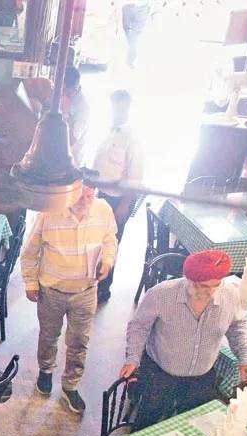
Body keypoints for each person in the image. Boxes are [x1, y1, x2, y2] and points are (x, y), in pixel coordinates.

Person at [124, 250, 247, 428]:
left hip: (201, 377)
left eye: (215, 285)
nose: (209, 291)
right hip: (160, 374)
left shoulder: (231, 295)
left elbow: (237, 326)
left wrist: (245, 357)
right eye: (202, 286)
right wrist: (133, 358)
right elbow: (139, 326)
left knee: (193, 425)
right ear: (188, 279)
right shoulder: (161, 294)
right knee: (148, 421)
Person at [21, 181, 118, 413]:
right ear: (70, 191)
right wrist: (30, 282)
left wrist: (108, 261)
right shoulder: (49, 211)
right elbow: (30, 251)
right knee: (48, 336)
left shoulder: (103, 209)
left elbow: (109, 239)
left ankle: (70, 385)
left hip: (86, 292)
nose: (87, 198)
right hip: (52, 291)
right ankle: (46, 372)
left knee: (79, 341)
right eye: (82, 193)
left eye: (91, 193)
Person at [89, 89, 144, 302]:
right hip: (101, 195)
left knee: (110, 243)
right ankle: (92, 284)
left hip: (119, 199)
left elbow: (135, 177)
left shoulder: (133, 139)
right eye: (113, 107)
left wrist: (124, 204)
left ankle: (103, 290)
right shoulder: (110, 132)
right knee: (95, 240)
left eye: (120, 107)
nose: (116, 111)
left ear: (128, 108)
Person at [62, 67, 89, 163]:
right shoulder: (61, 94)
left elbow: (71, 140)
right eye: (62, 91)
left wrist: (66, 113)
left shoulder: (83, 108)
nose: (64, 95)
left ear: (77, 89)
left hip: (70, 162)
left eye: (68, 93)